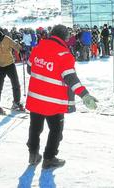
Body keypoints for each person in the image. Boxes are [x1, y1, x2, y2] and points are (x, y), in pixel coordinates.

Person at [26, 24, 98, 169]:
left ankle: (33, 155)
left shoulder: (37, 48)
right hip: (53, 102)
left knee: (35, 128)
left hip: (35, 98)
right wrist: (85, 95)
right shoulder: (64, 55)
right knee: (56, 130)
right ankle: (49, 158)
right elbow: (71, 79)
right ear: (65, 38)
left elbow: (29, 68)